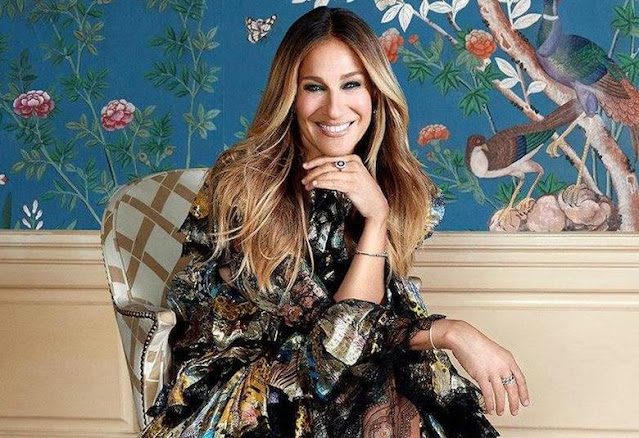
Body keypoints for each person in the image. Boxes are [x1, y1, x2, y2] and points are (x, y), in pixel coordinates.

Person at [141, 6, 529, 437]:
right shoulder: (244, 187)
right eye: (314, 87)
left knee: (396, 391)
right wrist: (450, 331)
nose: (334, 107)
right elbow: (332, 344)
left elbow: (357, 341)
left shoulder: (396, 186)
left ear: (375, 92)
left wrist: (377, 215)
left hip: (347, 375)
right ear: (290, 95)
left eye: (351, 84)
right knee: (375, 392)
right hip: (245, 388)